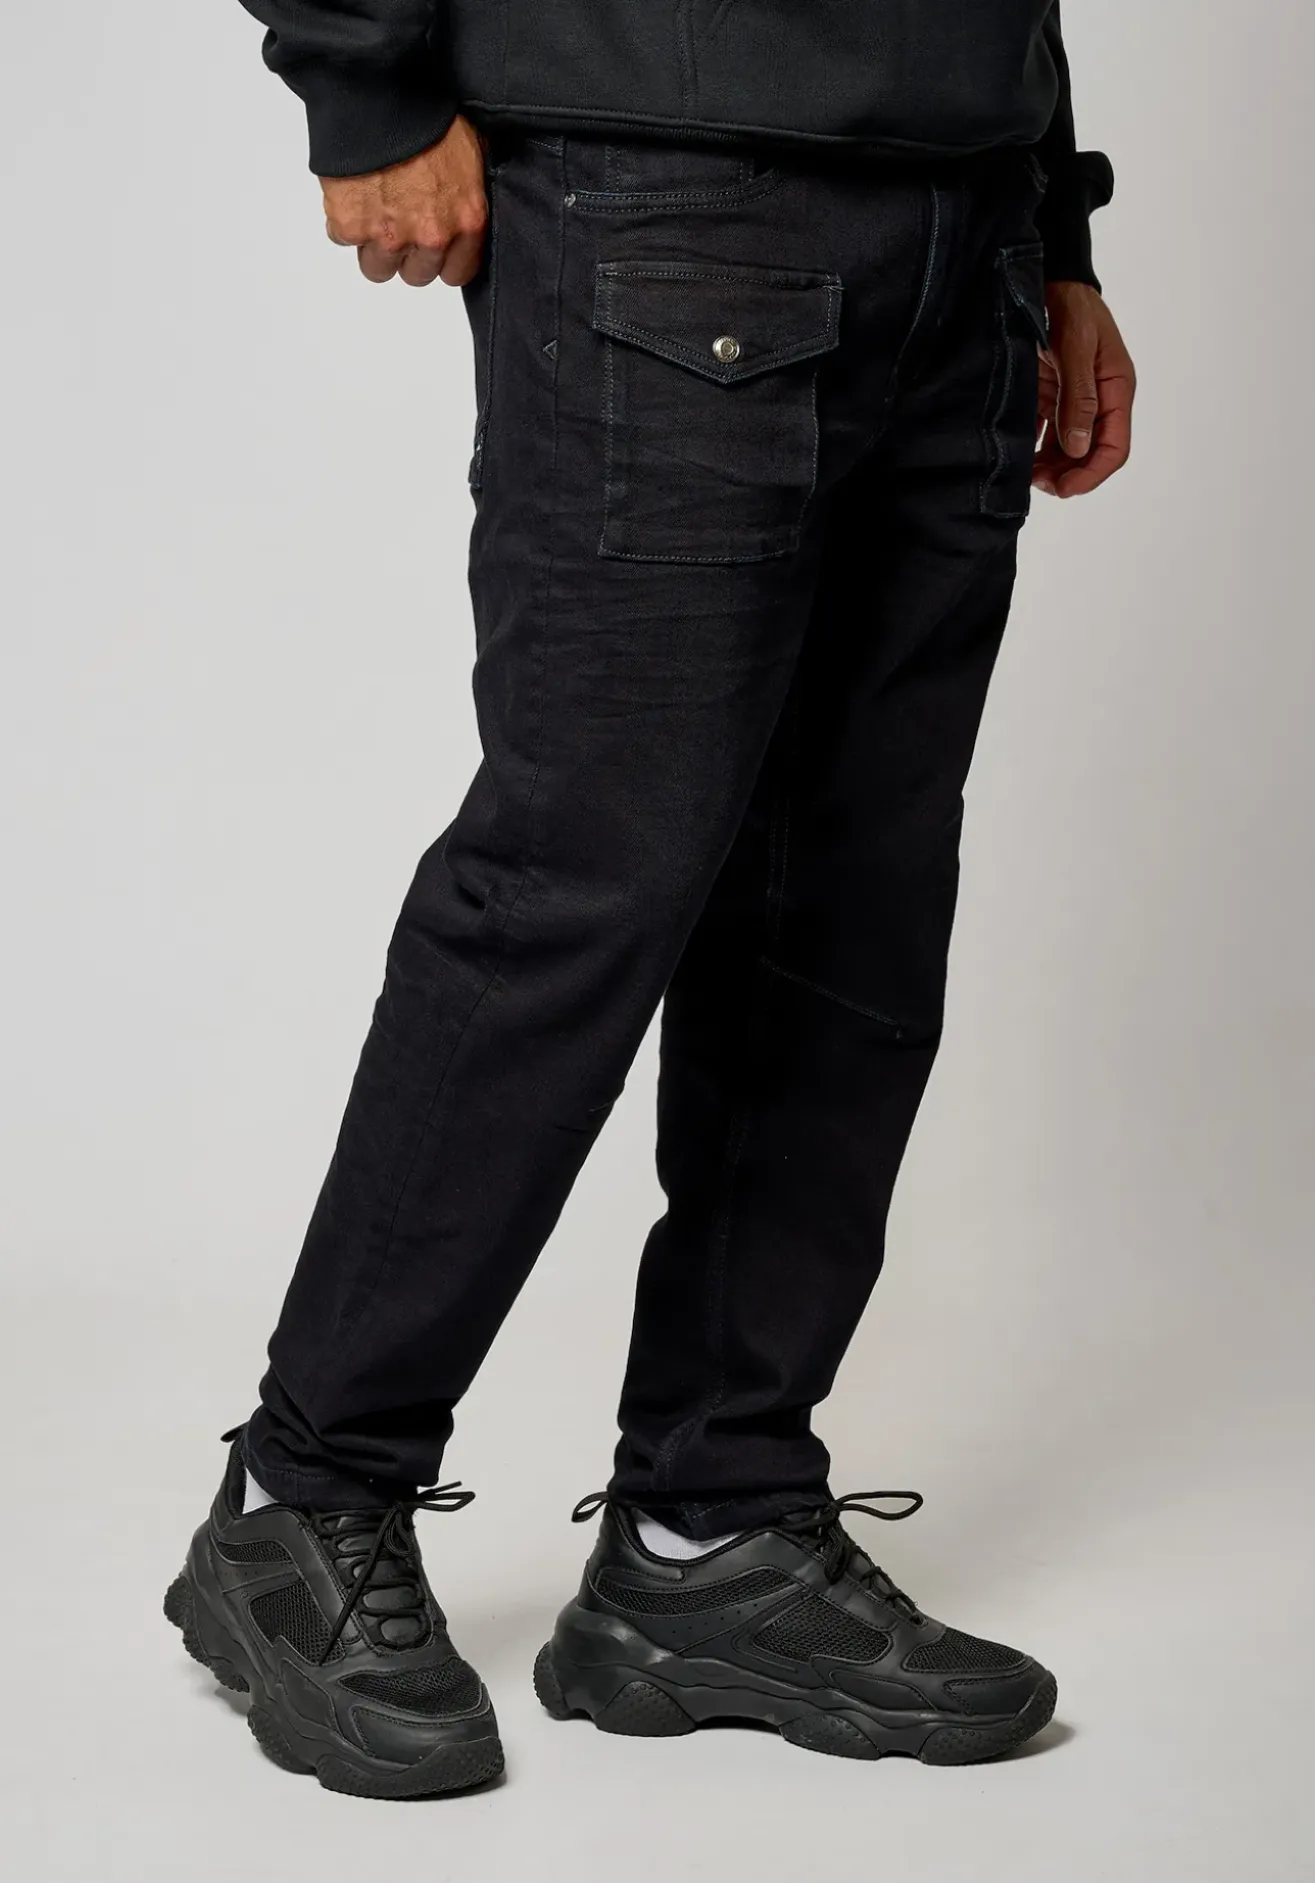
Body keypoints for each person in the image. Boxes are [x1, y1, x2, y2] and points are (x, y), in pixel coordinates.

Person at [166, 1, 1135, 1797]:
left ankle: (713, 1530)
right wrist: (362, 69)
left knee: (850, 903)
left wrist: (1052, 225)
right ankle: (303, 1500)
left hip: (967, 216)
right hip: (662, 185)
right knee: (579, 879)